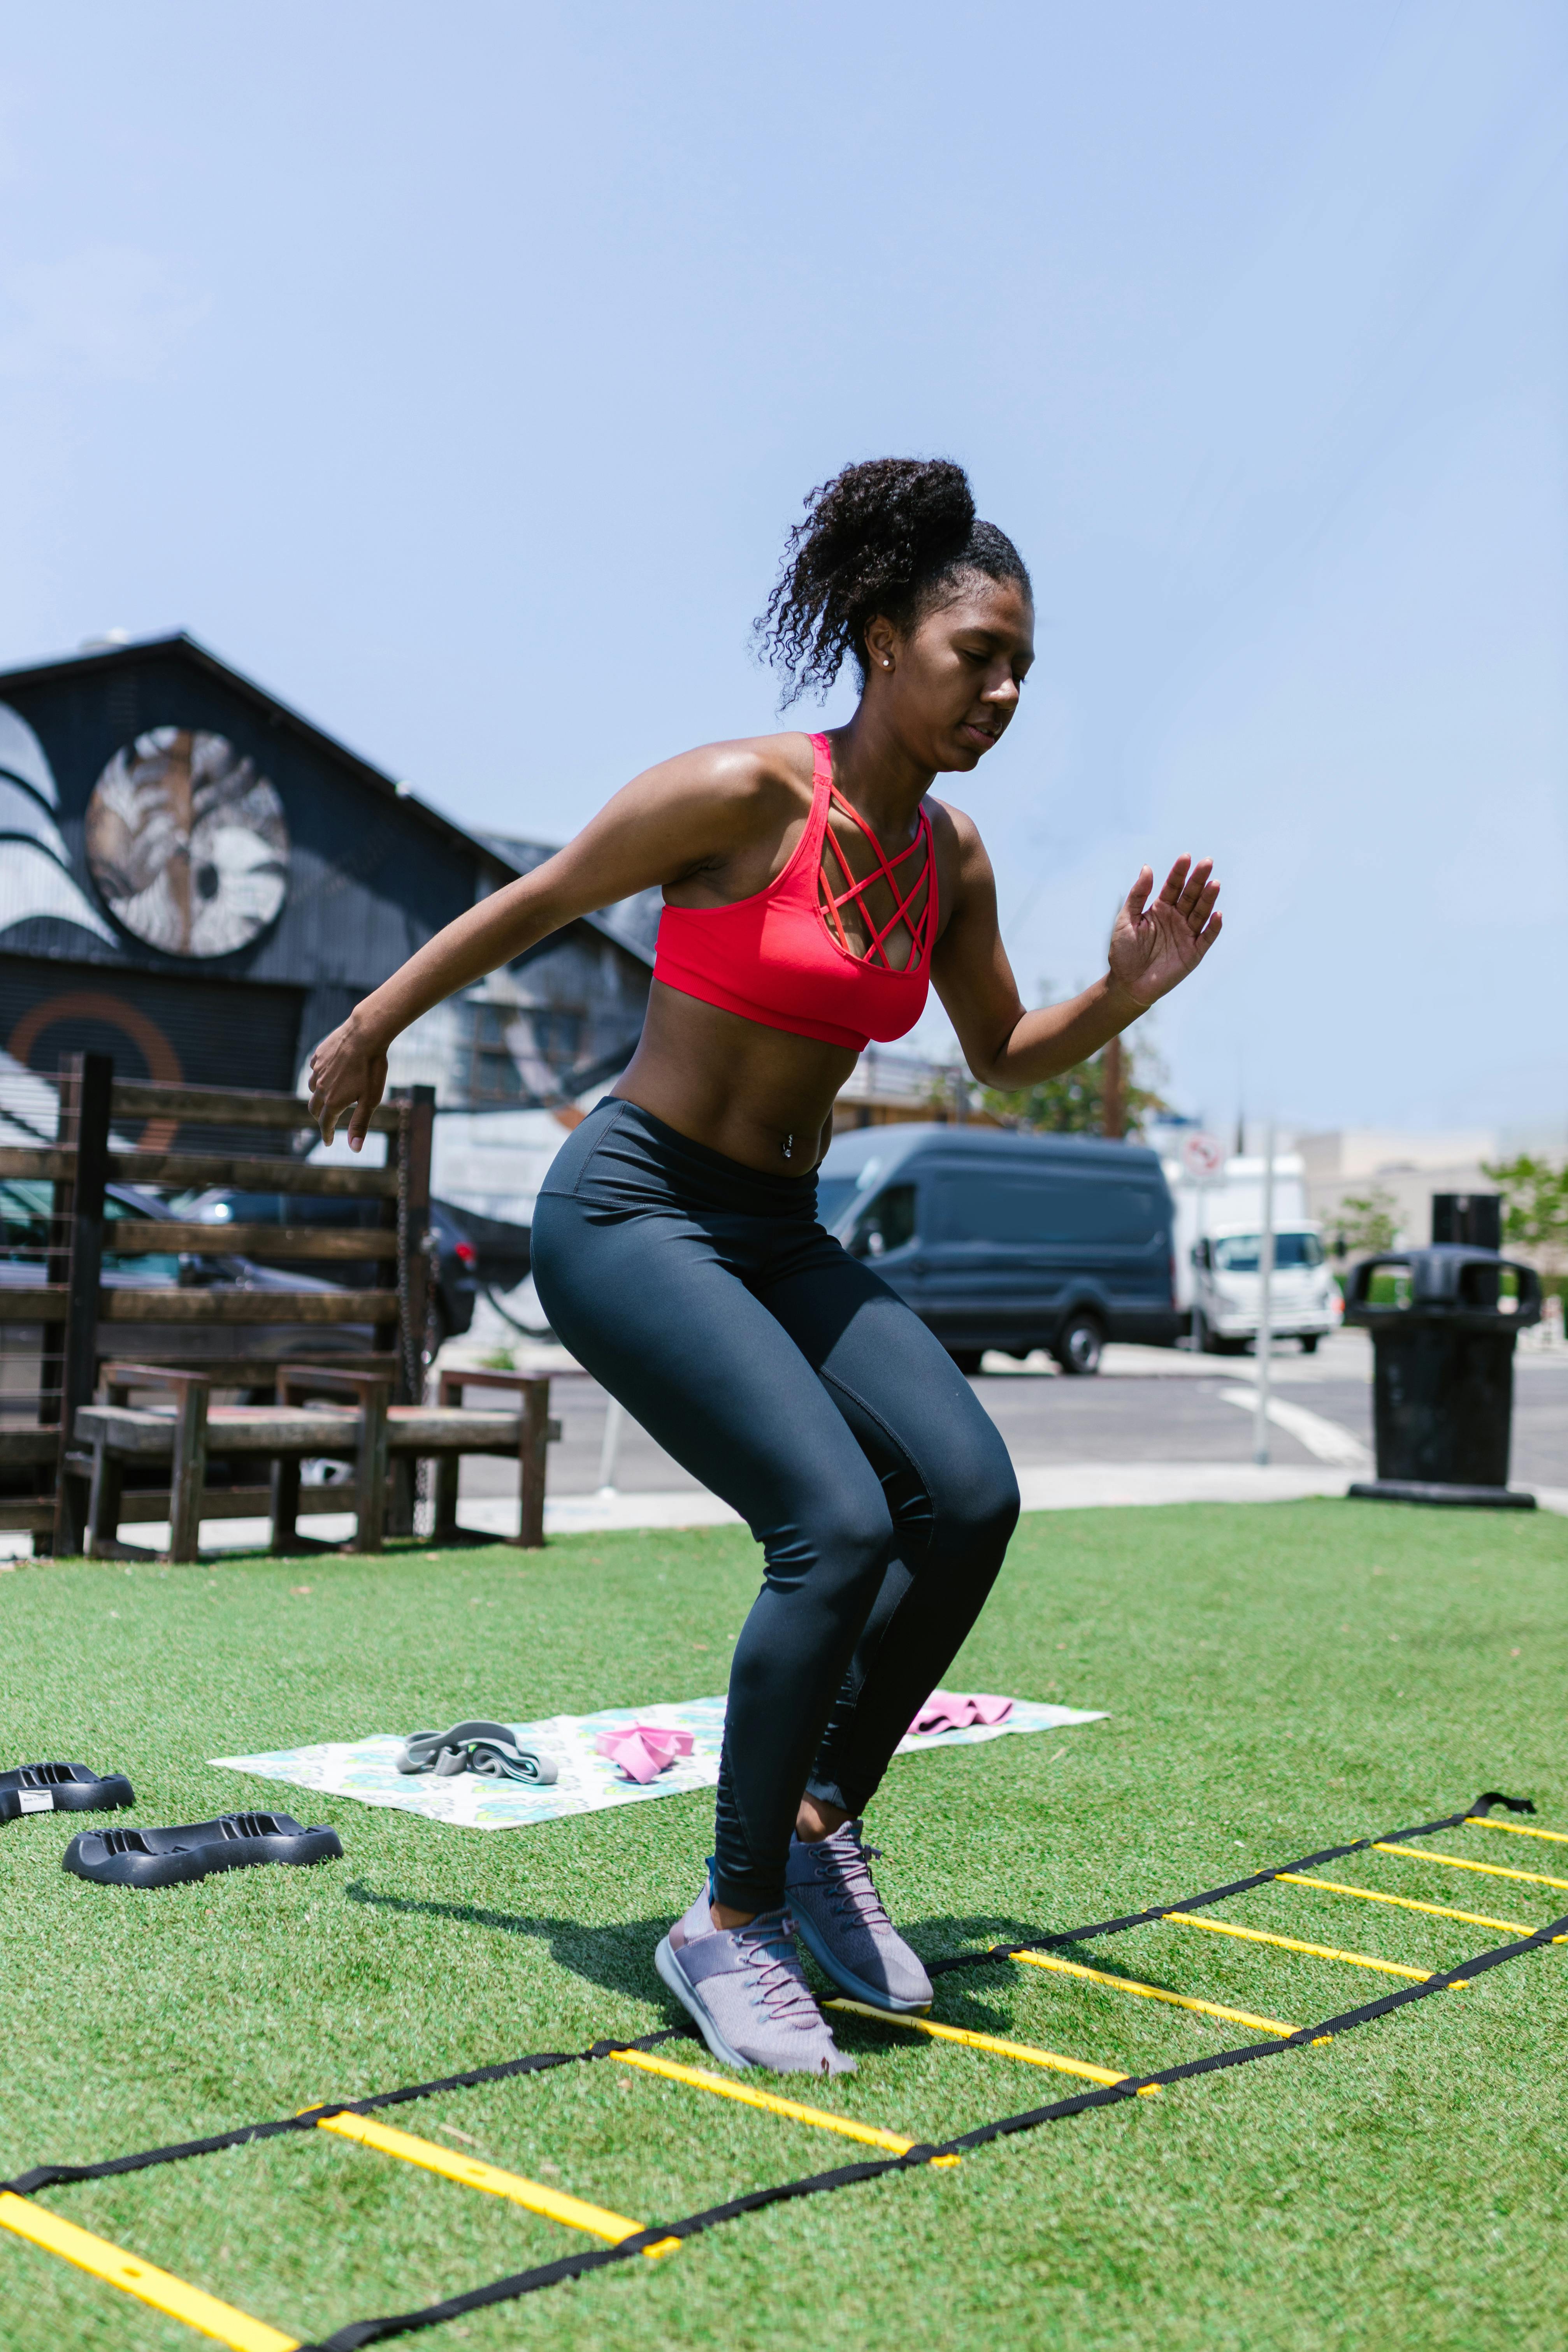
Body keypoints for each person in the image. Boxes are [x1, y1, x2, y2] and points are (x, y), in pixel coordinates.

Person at [308, 456, 1222, 2076]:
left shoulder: (954, 861)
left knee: (969, 1492)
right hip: (637, 1210)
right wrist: (374, 1025)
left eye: (1023, 667)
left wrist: (1127, 989)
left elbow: (1005, 1051)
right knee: (837, 1520)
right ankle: (725, 1920)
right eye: (974, 655)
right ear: (882, 636)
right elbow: (534, 901)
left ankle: (813, 1820)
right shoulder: (741, 794)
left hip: (785, 1233)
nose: (1002, 692)